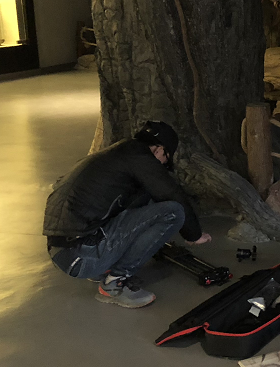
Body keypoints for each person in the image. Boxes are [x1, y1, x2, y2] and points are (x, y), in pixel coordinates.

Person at [43, 121, 211, 309]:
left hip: (62, 251)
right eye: (166, 159)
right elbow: (172, 194)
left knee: (146, 199)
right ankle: (114, 283)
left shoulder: (117, 153)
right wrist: (194, 234)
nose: (163, 165)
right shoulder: (140, 157)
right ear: (159, 149)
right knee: (173, 212)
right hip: (81, 257)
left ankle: (102, 268)